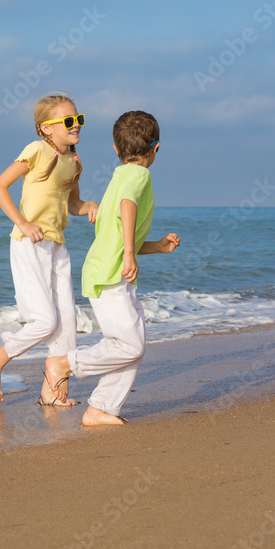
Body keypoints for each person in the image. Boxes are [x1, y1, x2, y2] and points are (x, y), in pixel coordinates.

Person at [44, 110, 179, 425]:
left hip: (108, 272)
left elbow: (117, 235)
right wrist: (130, 253)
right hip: (109, 277)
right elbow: (127, 207)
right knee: (130, 345)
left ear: (116, 151)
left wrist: (155, 247)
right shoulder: (138, 176)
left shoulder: (118, 177)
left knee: (133, 346)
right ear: (155, 149)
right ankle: (63, 364)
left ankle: (102, 407)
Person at [0, 93, 98, 405]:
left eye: (79, 120)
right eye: (69, 121)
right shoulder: (35, 150)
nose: (76, 126)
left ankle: (54, 393)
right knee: (45, 321)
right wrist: (22, 223)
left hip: (57, 247)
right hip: (29, 244)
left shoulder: (74, 161)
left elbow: (73, 204)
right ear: (46, 128)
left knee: (67, 323)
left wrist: (91, 207)